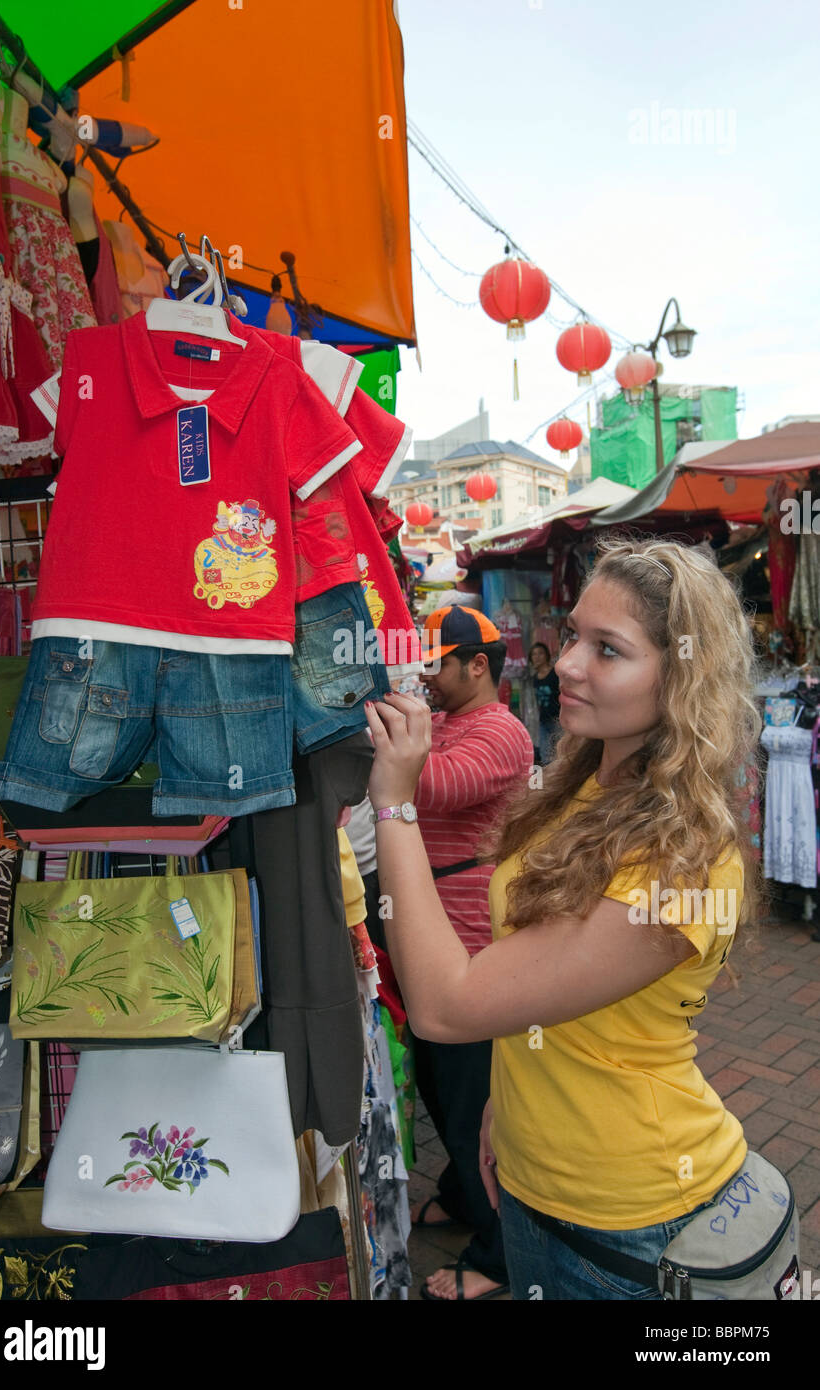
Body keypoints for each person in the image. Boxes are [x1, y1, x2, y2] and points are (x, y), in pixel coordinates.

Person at [363, 538, 760, 1300]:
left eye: (608, 650)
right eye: (575, 634)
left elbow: (450, 1006)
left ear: (681, 678)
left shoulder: (682, 856)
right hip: (536, 1182)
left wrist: (396, 801)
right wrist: (505, 1118)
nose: (567, 661)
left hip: (630, 1213)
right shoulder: (591, 780)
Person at [405, 606, 535, 1301]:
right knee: (439, 1083)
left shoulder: (501, 731)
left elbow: (430, 785)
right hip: (438, 943)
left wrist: (395, 734)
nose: (428, 674)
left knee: (469, 1101)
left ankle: (502, 1251)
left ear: (476, 664)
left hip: (475, 951)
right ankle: (462, 1195)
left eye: (437, 662)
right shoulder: (450, 721)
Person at [528, 641, 560, 764]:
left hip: (558, 720)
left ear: (547, 655)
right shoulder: (535, 678)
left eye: (540, 653)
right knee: (545, 755)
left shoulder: (555, 674)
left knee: (560, 754)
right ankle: (547, 782)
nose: (537, 657)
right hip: (544, 720)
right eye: (534, 654)